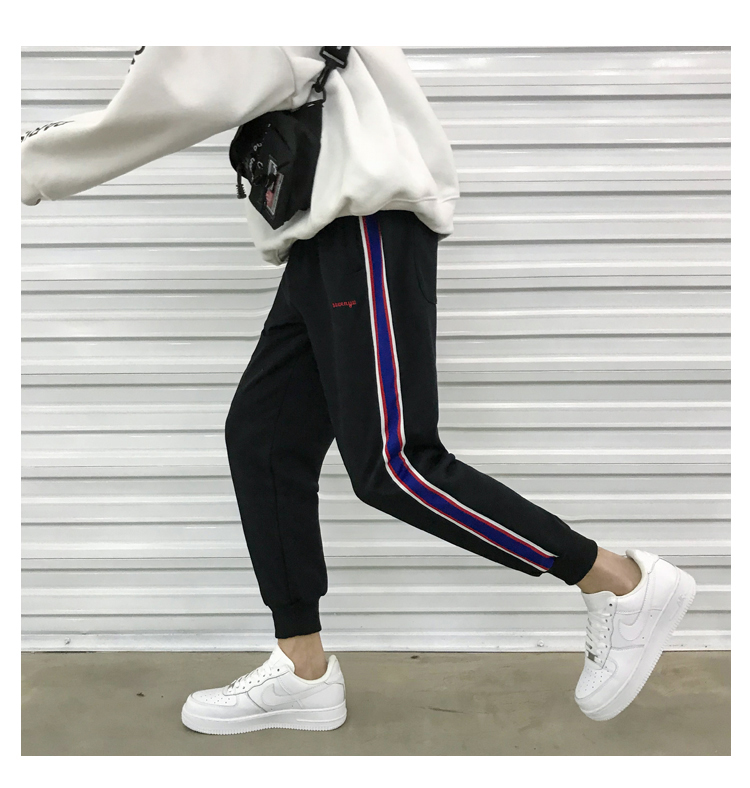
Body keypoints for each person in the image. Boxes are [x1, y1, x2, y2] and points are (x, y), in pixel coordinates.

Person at [22, 46, 696, 735]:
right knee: (264, 440)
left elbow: (184, 91)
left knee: (394, 466)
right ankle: (303, 671)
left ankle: (617, 581)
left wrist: (34, 161)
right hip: (320, 237)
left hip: (363, 224)